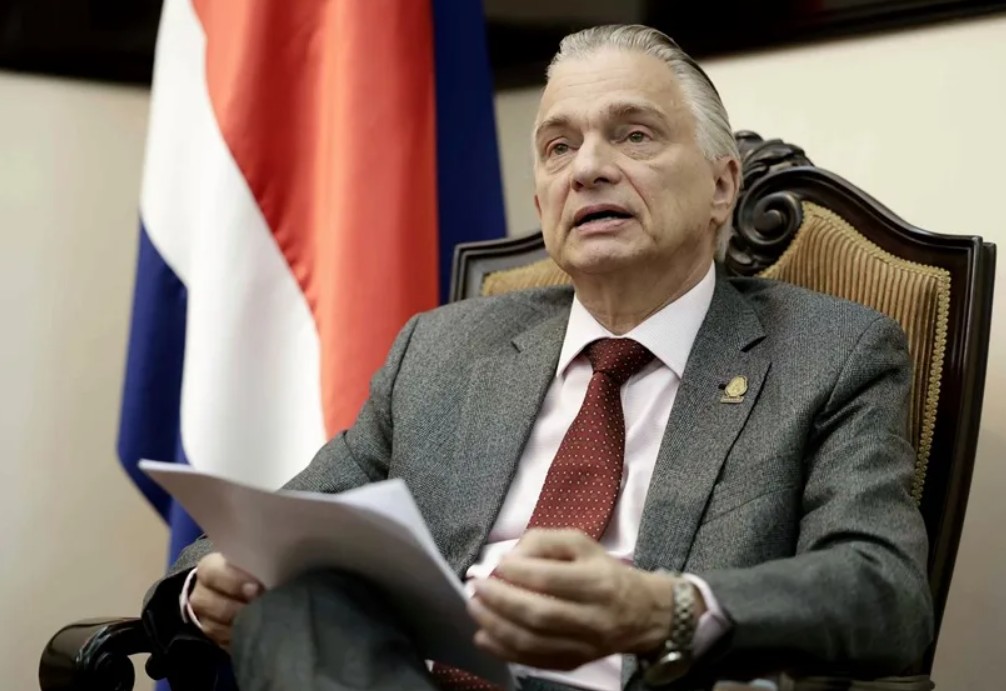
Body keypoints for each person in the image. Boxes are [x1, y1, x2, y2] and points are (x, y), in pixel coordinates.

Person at [141, 24, 933, 691]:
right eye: (559, 147)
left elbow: (885, 590)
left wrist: (664, 609)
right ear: (543, 202)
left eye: (634, 134)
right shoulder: (442, 350)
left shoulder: (831, 352)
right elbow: (281, 523)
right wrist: (205, 585)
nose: (587, 168)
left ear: (722, 186)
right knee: (297, 605)